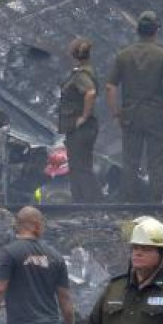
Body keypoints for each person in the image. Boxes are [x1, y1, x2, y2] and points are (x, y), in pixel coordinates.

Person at [105, 11, 163, 202]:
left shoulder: (123, 55)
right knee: (156, 163)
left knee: (130, 161)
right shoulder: (162, 55)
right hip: (156, 115)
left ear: (137, 30)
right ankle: (156, 205)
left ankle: (129, 204)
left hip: (130, 115)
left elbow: (110, 86)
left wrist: (116, 114)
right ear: (156, 31)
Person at [58, 37, 100, 202]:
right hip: (80, 128)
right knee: (77, 166)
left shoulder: (80, 75)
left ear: (73, 55)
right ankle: (80, 201)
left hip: (81, 128)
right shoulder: (86, 70)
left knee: (81, 166)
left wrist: (84, 116)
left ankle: (93, 202)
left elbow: (90, 92)